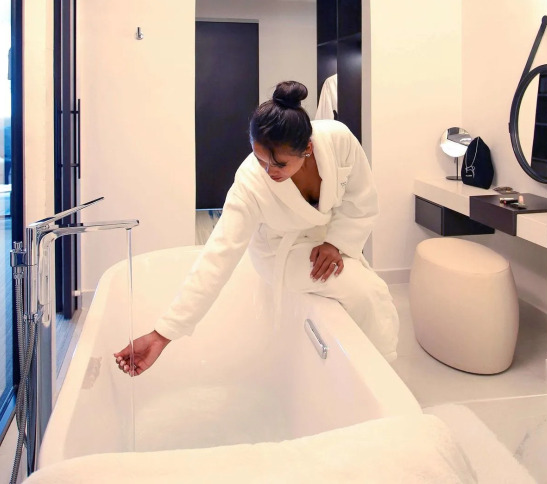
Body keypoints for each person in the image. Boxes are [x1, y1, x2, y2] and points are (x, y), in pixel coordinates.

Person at [114, 81, 399, 376]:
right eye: (260, 159)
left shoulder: (339, 140)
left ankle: (378, 372)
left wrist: (336, 243)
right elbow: (218, 256)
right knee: (366, 291)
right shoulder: (250, 182)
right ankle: (381, 371)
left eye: (279, 164)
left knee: (374, 292)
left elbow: (361, 198)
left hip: (328, 240)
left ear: (308, 148)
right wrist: (163, 334)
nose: (268, 171)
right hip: (281, 252)